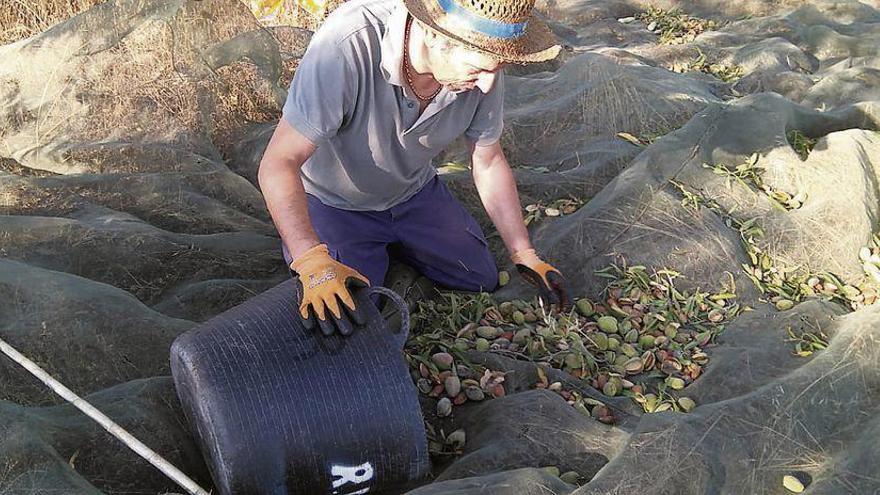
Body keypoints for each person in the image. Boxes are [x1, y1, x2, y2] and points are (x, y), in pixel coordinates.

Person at [258, 0, 571, 337]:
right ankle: (341, 247)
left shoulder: (483, 70)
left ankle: (398, 242)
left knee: (480, 276)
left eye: (495, 69)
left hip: (412, 193)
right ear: (433, 33)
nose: (486, 86)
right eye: (478, 69)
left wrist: (524, 252)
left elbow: (488, 159)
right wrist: (310, 260)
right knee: (349, 313)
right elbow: (277, 164)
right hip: (335, 202)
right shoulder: (347, 45)